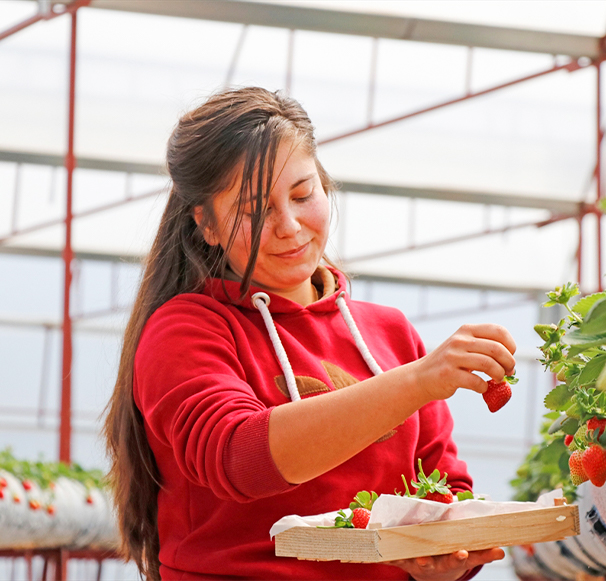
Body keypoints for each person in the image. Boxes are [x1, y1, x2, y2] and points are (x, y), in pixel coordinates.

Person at [104, 87, 517, 581]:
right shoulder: (185, 329)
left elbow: (444, 486)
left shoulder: (390, 332)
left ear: (324, 184)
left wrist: (442, 560)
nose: (290, 225)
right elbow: (242, 458)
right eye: (256, 211)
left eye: (303, 195)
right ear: (206, 224)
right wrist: (416, 382)